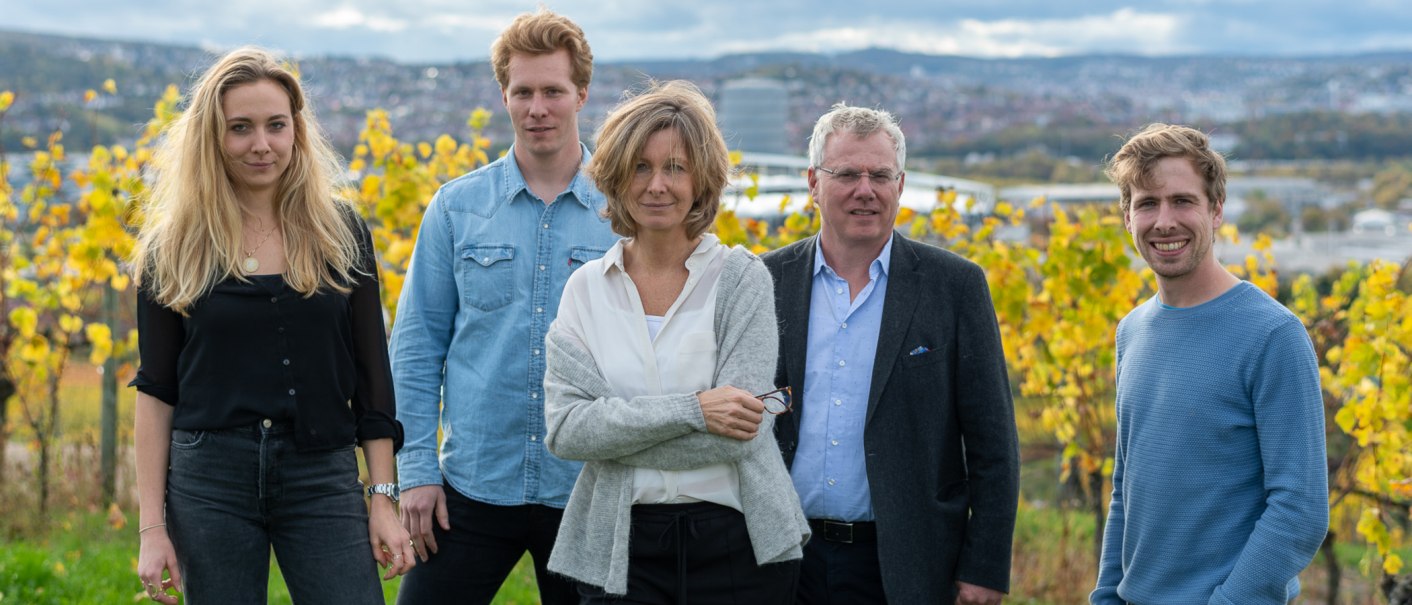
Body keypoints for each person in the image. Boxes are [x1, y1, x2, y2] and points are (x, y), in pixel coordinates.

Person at [130, 47, 412, 605]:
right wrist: (151, 527)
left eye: (275, 125)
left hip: (322, 474)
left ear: (296, 131)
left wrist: (383, 497)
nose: (261, 144)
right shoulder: (175, 246)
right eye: (241, 128)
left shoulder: (341, 231)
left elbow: (372, 373)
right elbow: (157, 390)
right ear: (213, 137)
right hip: (209, 482)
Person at [540, 79, 809, 604]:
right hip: (621, 545)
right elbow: (569, 431)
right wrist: (695, 409)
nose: (657, 185)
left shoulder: (741, 279)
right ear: (616, 177)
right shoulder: (585, 289)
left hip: (740, 542)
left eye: (675, 168)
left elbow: (741, 430)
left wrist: (619, 429)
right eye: (641, 166)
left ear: (701, 181)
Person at [389, 9, 619, 604]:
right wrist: (415, 473)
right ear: (504, 95)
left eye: (553, 91)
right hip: (471, 486)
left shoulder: (622, 214)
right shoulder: (455, 208)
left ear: (581, 94)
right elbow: (416, 348)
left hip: (586, 489)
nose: (537, 107)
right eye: (523, 91)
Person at [762, 104, 1020, 605]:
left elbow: (994, 444)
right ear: (814, 182)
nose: (866, 189)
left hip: (908, 567)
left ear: (900, 186)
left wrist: (984, 568)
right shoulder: (764, 280)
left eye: (880, 175)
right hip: (782, 562)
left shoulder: (955, 286)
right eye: (847, 174)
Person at [1091, 124, 1328, 604]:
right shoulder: (1131, 332)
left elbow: (1300, 511)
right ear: (1127, 216)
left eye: (1183, 201)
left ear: (1216, 210)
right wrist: (1107, 595)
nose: (1164, 221)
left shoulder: (1272, 335)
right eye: (1147, 203)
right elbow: (1125, 489)